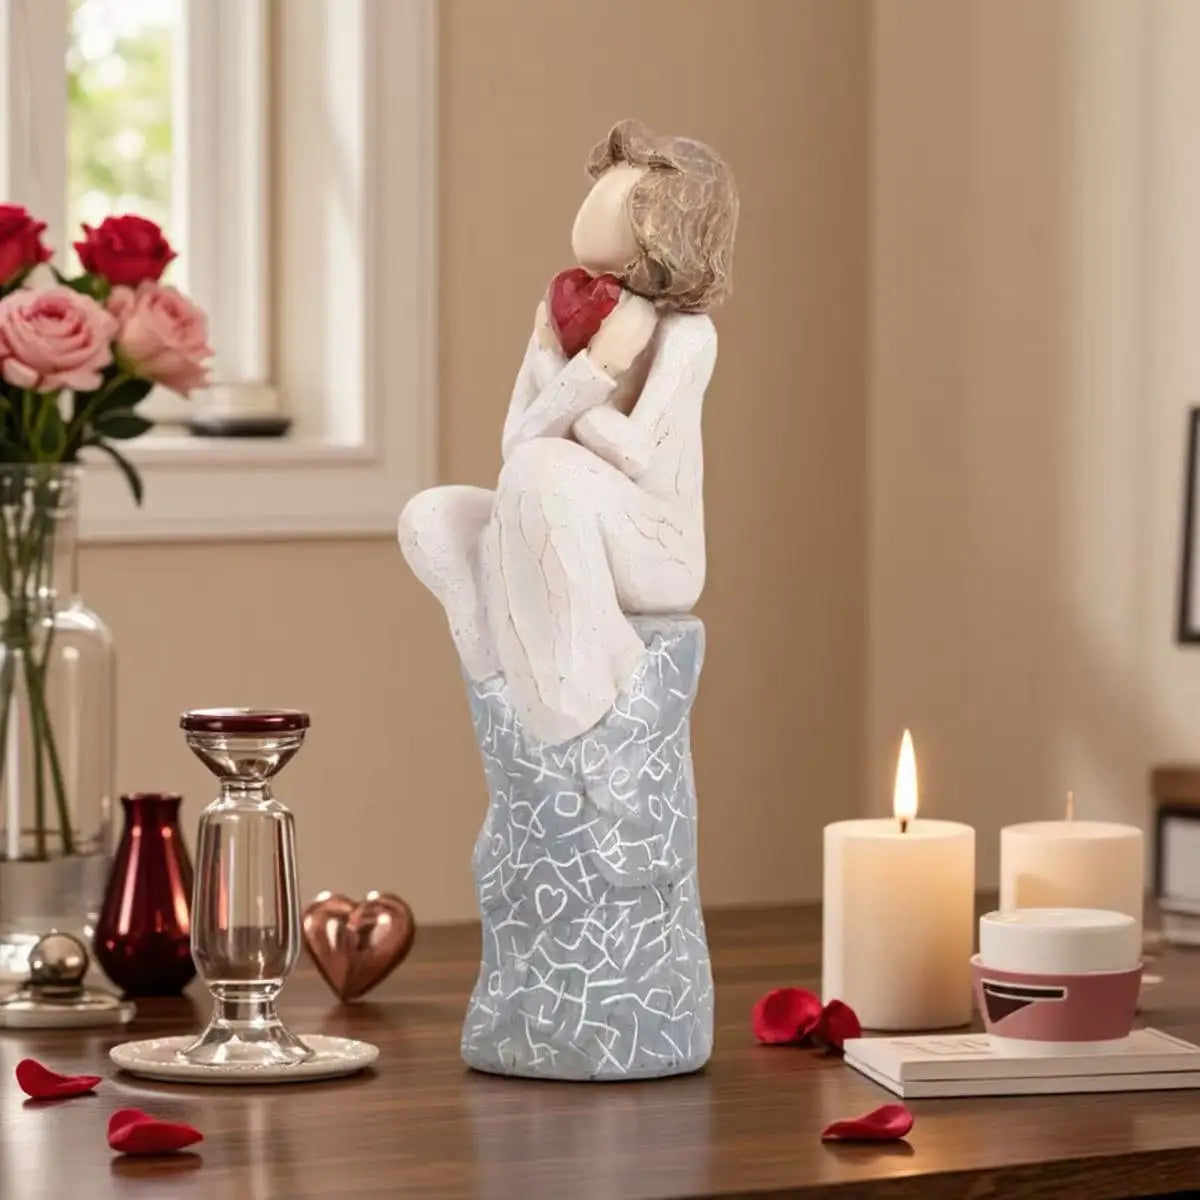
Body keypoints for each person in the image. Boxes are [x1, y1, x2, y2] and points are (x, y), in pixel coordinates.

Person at [400, 119, 738, 745]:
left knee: (544, 470)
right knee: (433, 515)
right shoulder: (562, 322)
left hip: (654, 544)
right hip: (559, 508)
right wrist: (584, 367)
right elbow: (514, 444)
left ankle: (579, 702)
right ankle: (498, 676)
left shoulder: (687, 336)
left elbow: (635, 454)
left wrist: (584, 380)